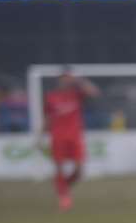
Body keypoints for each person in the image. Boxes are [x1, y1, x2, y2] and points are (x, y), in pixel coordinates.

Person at [40, 67, 98, 211]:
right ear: (59, 79)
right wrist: (40, 135)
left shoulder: (77, 94)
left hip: (75, 136)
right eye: (64, 78)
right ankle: (64, 197)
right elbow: (47, 118)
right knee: (59, 167)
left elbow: (94, 93)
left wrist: (79, 81)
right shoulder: (51, 97)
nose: (66, 80)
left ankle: (63, 187)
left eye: (69, 77)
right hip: (58, 136)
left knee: (79, 171)